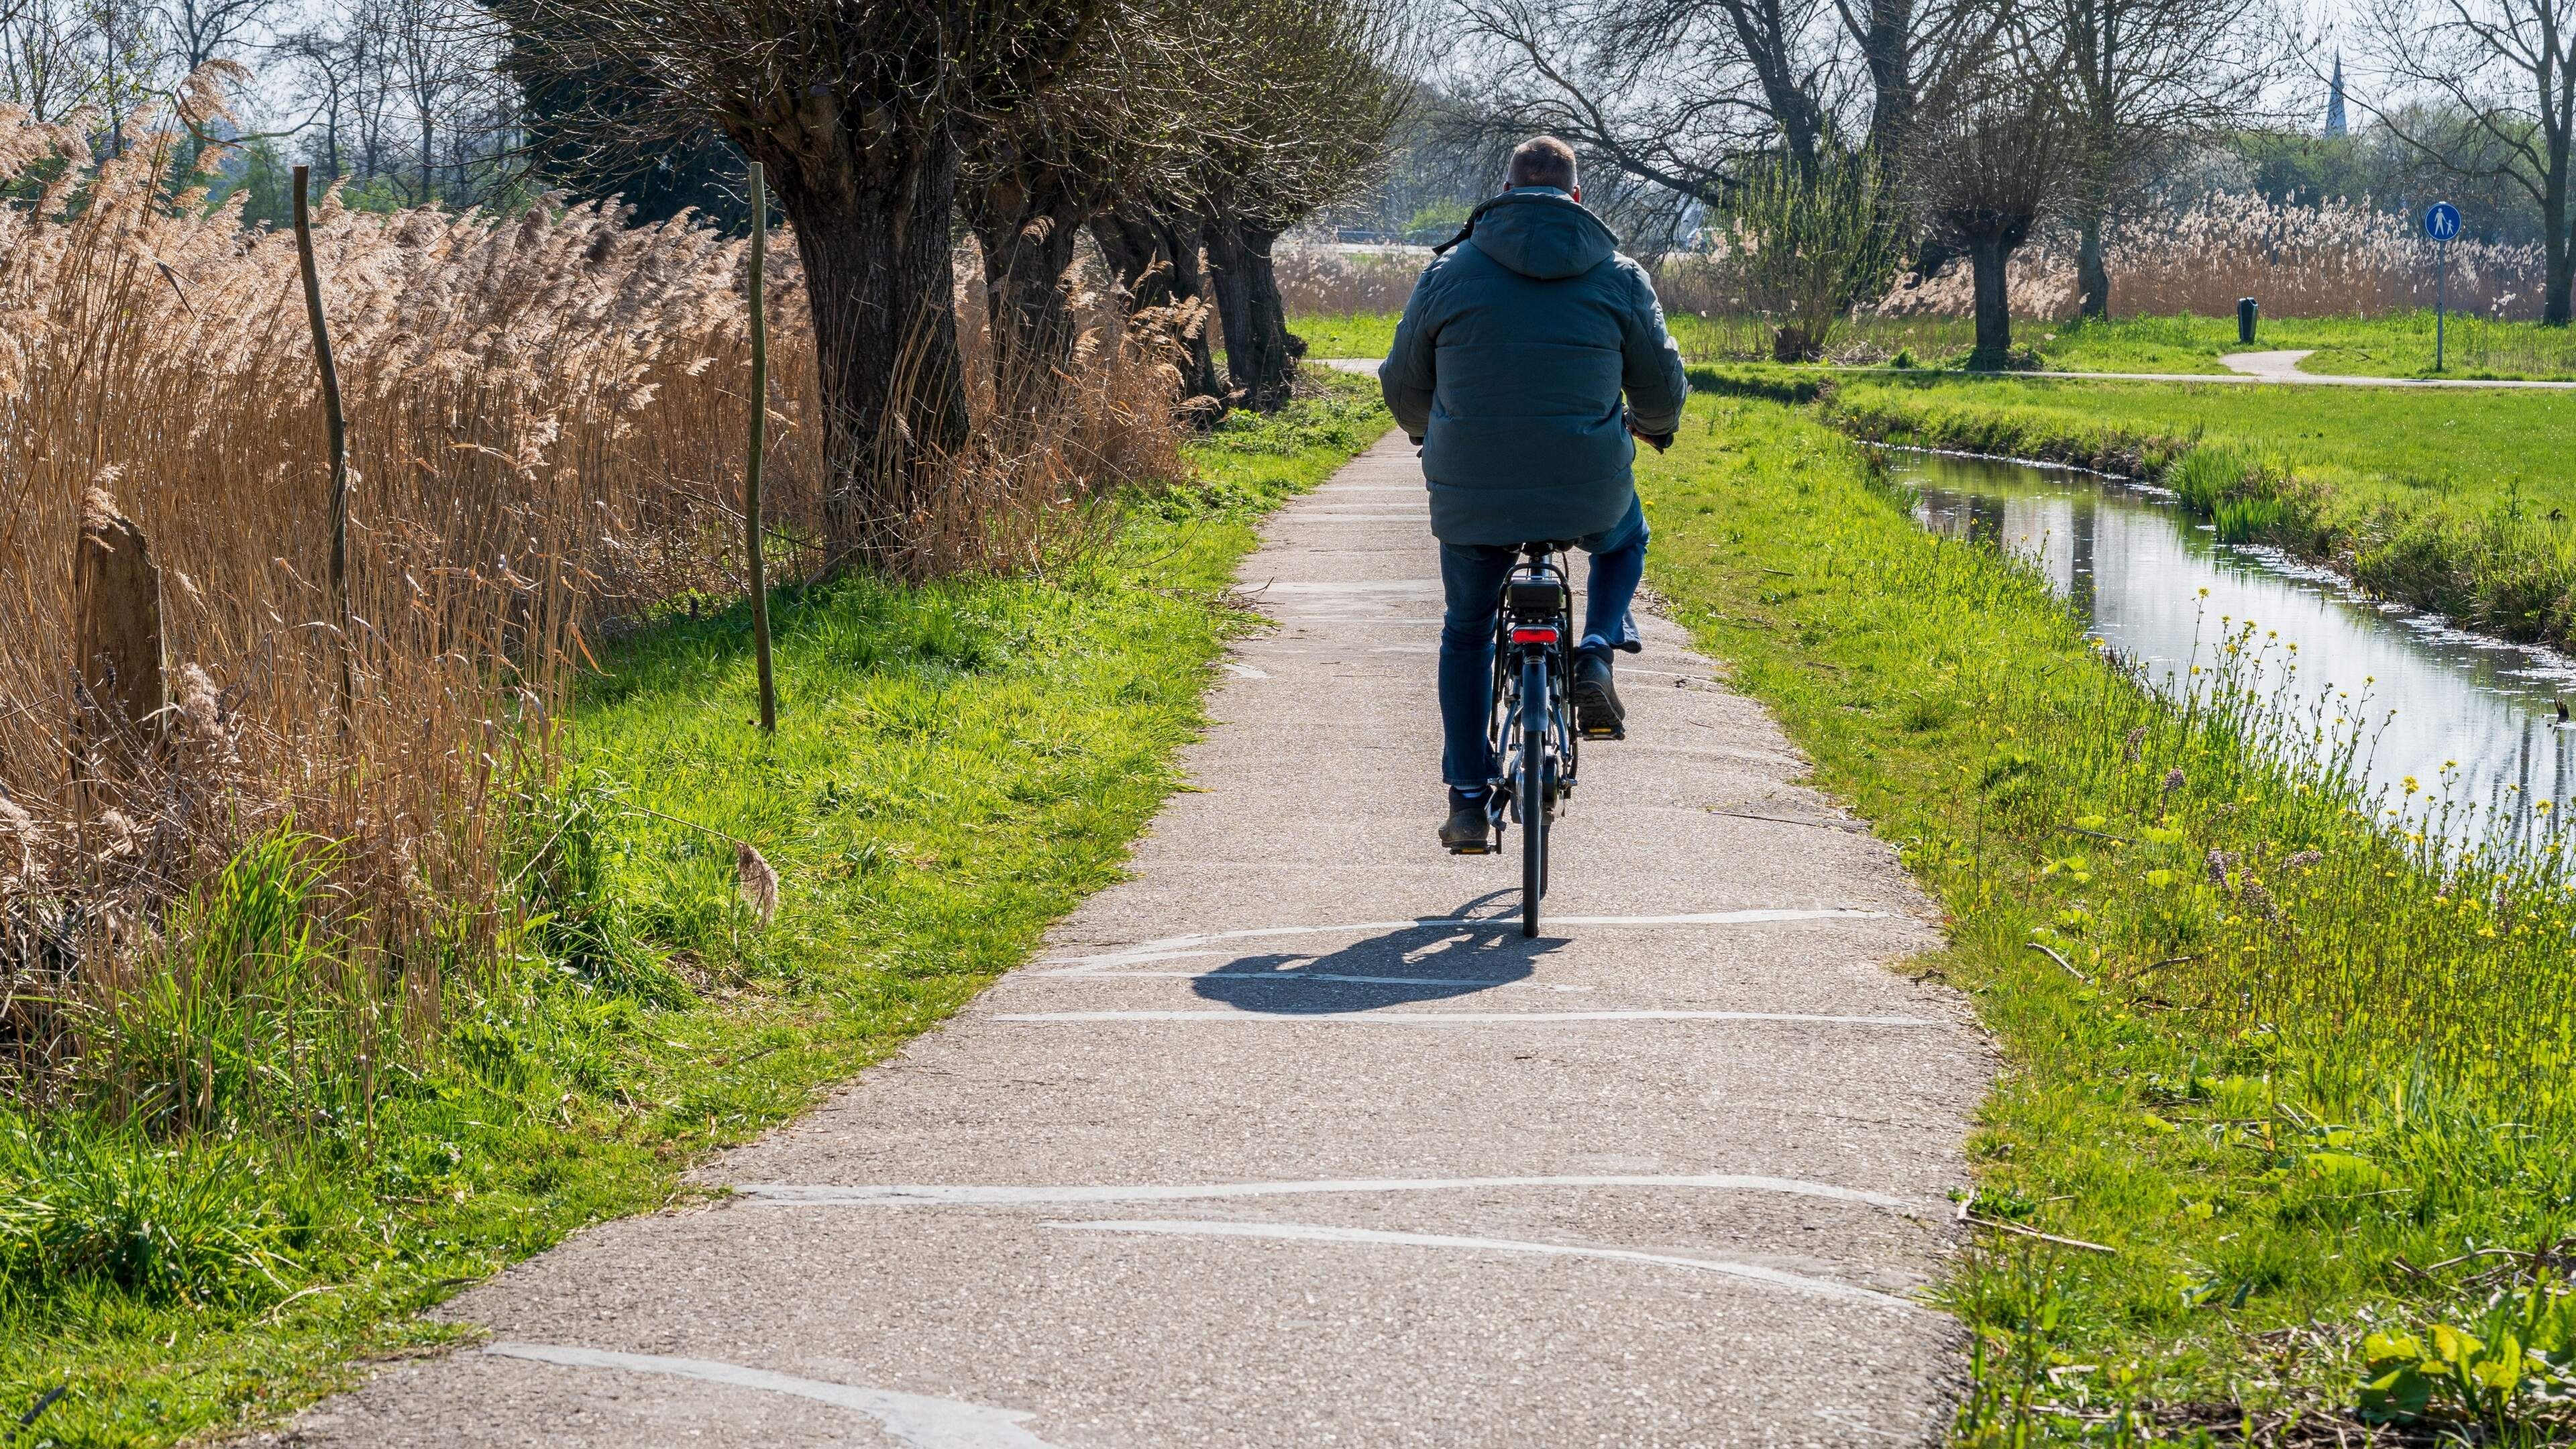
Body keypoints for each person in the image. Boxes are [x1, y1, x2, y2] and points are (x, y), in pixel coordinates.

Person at [1377, 135, 1690, 852]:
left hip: (1472, 490)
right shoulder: (1619, 274)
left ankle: (1465, 798)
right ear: (1577, 198)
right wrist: (1654, 427)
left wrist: (1434, 434)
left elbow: (1403, 383)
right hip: (1587, 486)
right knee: (1625, 536)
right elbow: (1661, 384)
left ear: (1506, 191)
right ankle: (1600, 649)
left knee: (1467, 626)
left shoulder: (1449, 271)